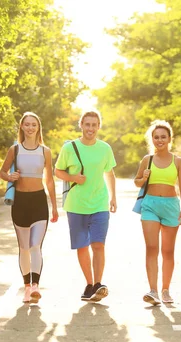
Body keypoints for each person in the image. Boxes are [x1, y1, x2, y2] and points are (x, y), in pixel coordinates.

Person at [54, 110, 117, 302]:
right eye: (87, 124)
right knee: (82, 246)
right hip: (76, 204)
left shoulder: (105, 148)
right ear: (81, 125)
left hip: (99, 204)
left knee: (98, 244)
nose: (91, 128)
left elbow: (110, 173)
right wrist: (73, 177)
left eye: (94, 125)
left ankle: (98, 284)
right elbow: (58, 171)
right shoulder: (69, 148)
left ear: (99, 126)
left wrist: (113, 197)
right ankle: (89, 284)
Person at [0, 112, 58, 304]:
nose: (31, 128)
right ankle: (26, 287)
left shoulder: (45, 151)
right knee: (24, 247)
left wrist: (55, 206)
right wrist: (9, 177)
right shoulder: (14, 150)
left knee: (35, 246)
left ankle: (35, 286)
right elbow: (2, 171)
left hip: (39, 201)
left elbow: (49, 180)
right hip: (20, 202)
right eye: (27, 124)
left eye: (34, 124)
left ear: (38, 127)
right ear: (22, 127)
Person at [134, 120, 181, 305]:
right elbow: (137, 182)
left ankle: (165, 290)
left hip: (171, 206)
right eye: (156, 137)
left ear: (169, 139)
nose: (159, 140)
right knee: (151, 248)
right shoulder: (146, 160)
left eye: (163, 137)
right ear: (152, 139)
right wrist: (143, 177)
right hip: (150, 205)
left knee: (168, 251)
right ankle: (153, 290)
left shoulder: (178, 161)